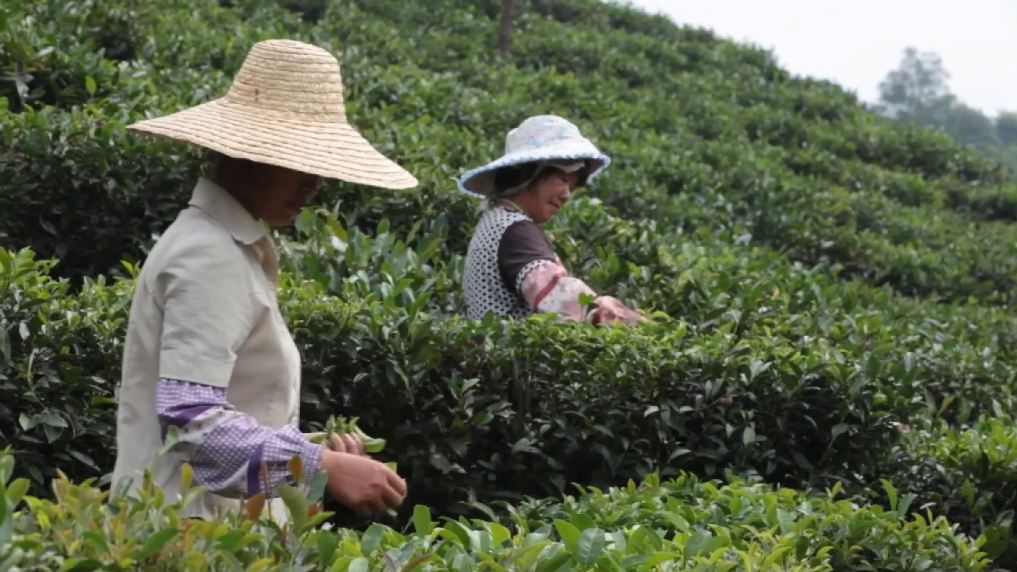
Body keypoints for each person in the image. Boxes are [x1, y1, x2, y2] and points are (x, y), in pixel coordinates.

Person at [110, 39, 417, 523]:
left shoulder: (229, 246)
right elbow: (191, 422)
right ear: (248, 155)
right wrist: (320, 464)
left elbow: (222, 407)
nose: (313, 184)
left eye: (320, 166)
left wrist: (317, 453)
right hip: (182, 538)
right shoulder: (207, 253)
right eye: (301, 161)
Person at [459, 115, 644, 326]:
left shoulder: (495, 220)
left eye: (572, 187)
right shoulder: (515, 230)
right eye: (563, 180)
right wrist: (632, 324)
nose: (567, 196)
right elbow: (561, 296)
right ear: (528, 172)